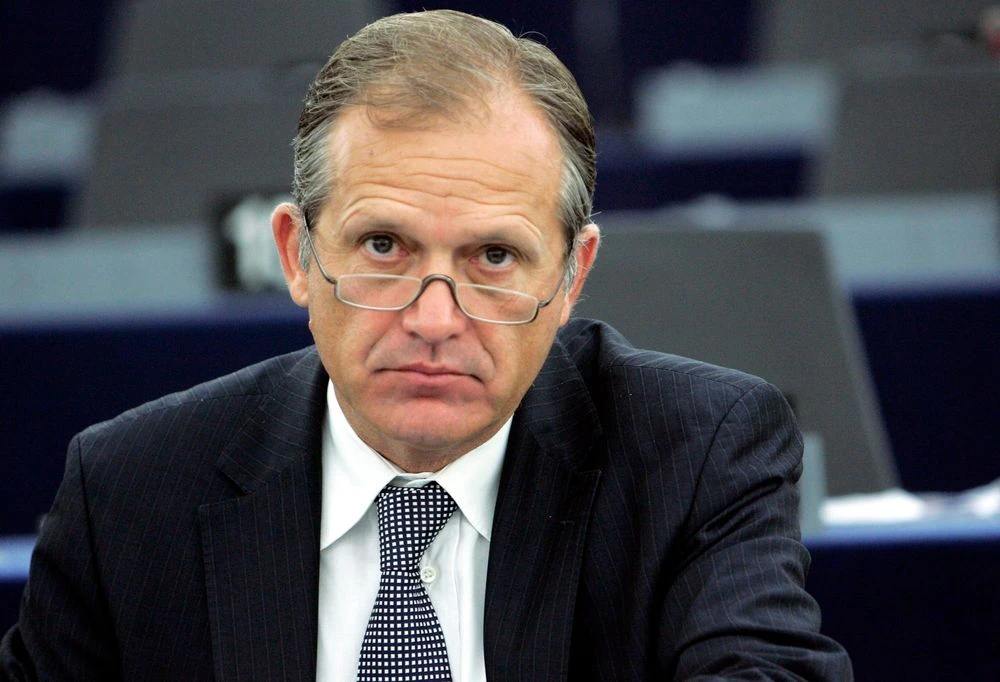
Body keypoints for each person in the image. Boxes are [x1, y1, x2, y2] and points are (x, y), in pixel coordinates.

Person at [1, 9, 851, 681]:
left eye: (494, 257)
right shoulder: (129, 492)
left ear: (571, 278)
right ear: (296, 255)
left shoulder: (696, 456)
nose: (435, 319)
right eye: (384, 247)